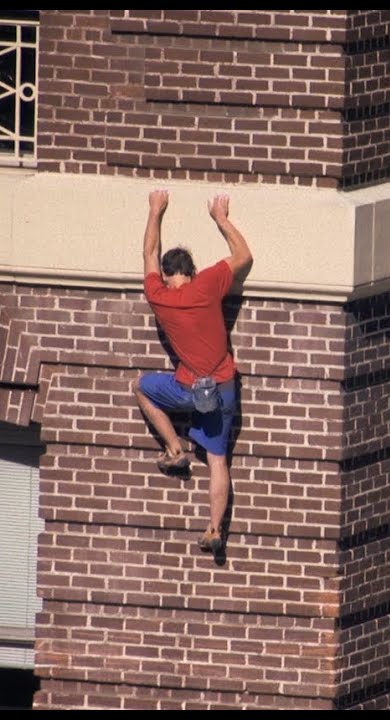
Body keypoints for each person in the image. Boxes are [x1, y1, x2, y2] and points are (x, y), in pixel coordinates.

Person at [132, 189, 252, 553]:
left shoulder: (160, 296)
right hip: (224, 388)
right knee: (218, 460)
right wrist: (221, 218)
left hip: (187, 389)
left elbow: (149, 252)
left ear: (169, 277)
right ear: (192, 271)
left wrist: (156, 210)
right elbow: (243, 257)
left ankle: (174, 448)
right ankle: (215, 529)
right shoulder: (207, 285)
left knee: (141, 387)